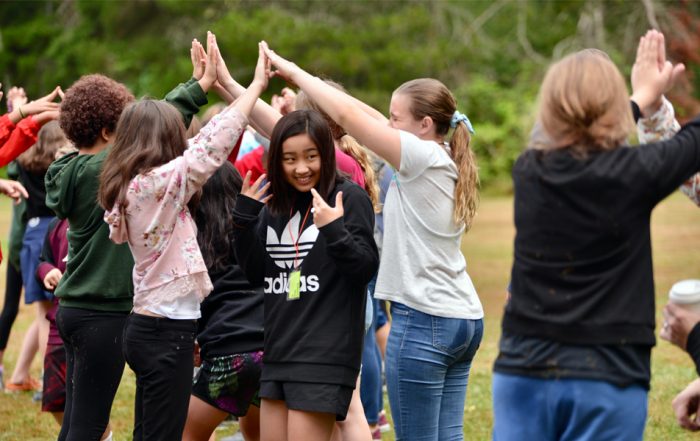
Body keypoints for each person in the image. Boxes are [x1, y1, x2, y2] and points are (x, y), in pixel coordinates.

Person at [262, 42, 484, 441]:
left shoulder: (419, 159)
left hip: (425, 320)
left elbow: (347, 114)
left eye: (396, 119)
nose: (387, 126)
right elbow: (364, 114)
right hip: (463, 316)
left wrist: (294, 71)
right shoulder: (442, 154)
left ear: (425, 125)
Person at [490, 30, 699, 441]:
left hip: (522, 370)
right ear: (614, 107)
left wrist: (640, 97)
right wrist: (646, 92)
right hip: (607, 375)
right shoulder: (635, 173)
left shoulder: (529, 169)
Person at [99, 34, 267, 441]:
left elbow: (195, 146)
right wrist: (256, 88)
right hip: (163, 331)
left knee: (151, 431)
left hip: (153, 325)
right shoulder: (155, 186)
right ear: (162, 142)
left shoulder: (134, 181)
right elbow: (210, 146)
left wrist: (202, 84)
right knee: (163, 435)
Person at [45, 48, 211, 439]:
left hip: (73, 310)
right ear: (107, 132)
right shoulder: (105, 171)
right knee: (88, 425)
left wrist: (196, 86)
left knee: (77, 419)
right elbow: (153, 131)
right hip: (103, 314)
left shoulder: (66, 171)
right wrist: (195, 89)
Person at [233, 109, 378, 441]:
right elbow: (255, 274)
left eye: (310, 156)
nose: (301, 168)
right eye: (290, 159)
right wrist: (242, 222)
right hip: (280, 350)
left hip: (324, 355)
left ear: (325, 155)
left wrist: (335, 232)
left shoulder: (347, 198)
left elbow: (364, 270)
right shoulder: (275, 205)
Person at [182, 163, 264, 441]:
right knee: (256, 432)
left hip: (231, 353)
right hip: (273, 350)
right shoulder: (255, 231)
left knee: (186, 434)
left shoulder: (193, 242)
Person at [5, 121, 68, 394]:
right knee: (48, 316)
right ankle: (49, 380)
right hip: (54, 233)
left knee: (41, 313)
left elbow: (10, 156)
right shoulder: (61, 164)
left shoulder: (23, 164)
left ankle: (20, 374)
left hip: (31, 236)